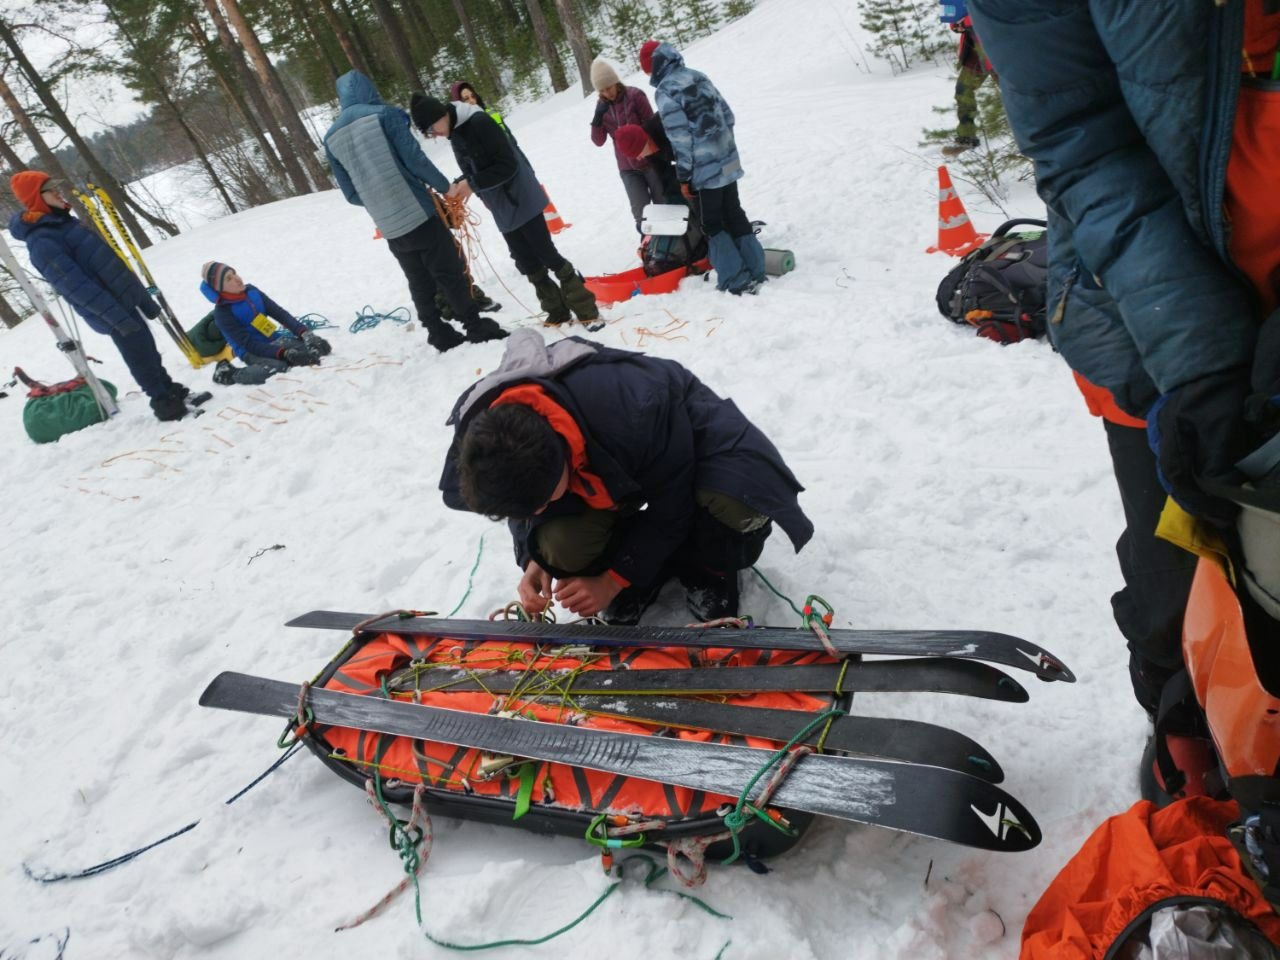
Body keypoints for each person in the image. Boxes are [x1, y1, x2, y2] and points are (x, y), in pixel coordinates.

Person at [966, 0, 1280, 799]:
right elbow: (1080, 138)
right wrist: (1204, 361)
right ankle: (1187, 734)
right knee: (1172, 561)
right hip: (1150, 325)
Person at [439, 328, 813, 624]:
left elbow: (673, 504)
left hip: (684, 440)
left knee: (733, 499)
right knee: (557, 544)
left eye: (546, 497)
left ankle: (707, 567)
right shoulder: (482, 433)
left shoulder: (636, 408)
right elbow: (517, 492)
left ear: (560, 456)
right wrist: (532, 557)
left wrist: (612, 580)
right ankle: (640, 573)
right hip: (600, 453)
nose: (540, 507)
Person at [322, 70, 507, 351]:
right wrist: (446, 187)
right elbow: (415, 160)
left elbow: (350, 194)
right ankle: (475, 326)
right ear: (368, 90)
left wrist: (377, 201)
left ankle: (437, 332)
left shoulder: (331, 138)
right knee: (450, 270)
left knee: (418, 279)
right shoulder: (385, 115)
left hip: (389, 225)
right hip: (418, 211)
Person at [7, 170, 190, 422]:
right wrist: (114, 316)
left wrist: (143, 299)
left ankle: (168, 387)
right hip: (111, 309)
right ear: (37, 198)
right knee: (139, 355)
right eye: (52, 190)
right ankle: (161, 399)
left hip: (125, 298)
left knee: (148, 348)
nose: (59, 193)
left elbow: (108, 263)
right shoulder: (42, 240)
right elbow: (76, 287)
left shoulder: (65, 223)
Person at [410, 94, 599, 328]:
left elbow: (506, 165)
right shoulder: (456, 134)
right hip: (500, 205)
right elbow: (476, 168)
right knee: (525, 260)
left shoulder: (480, 122)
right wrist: (462, 184)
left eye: (431, 128)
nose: (434, 134)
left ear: (441, 115)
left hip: (520, 197)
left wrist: (472, 184)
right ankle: (556, 310)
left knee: (546, 253)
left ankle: (586, 309)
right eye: (429, 132)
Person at [640, 40, 765, 295]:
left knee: (712, 223)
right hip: (728, 156)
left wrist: (684, 176)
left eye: (648, 70)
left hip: (705, 168)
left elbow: (680, 139)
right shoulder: (698, 76)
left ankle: (734, 278)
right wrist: (723, 145)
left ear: (654, 66)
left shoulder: (666, 91)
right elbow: (728, 115)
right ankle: (756, 267)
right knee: (734, 211)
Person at [199, 261, 330, 385]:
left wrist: (304, 333)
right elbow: (249, 344)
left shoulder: (251, 291)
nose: (237, 279)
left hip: (273, 339)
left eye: (234, 273)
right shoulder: (223, 313)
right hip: (250, 351)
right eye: (229, 279)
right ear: (219, 289)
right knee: (278, 367)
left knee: (317, 348)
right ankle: (230, 374)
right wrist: (283, 353)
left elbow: (279, 313)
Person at [588, 57, 664, 233]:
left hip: (650, 162)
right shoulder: (601, 107)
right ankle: (652, 248)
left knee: (663, 205)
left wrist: (644, 147)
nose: (607, 93)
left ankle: (676, 248)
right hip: (628, 169)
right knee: (641, 215)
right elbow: (598, 141)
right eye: (602, 90)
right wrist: (597, 119)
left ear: (615, 82)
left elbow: (652, 125)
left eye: (609, 87)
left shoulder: (635, 96)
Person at [939, 4, 994, 158]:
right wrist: (956, 23)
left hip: (1001, 48)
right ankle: (966, 137)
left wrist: (967, 21)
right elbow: (958, 9)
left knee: (1015, 95)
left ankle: (1041, 135)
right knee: (964, 90)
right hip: (976, 51)